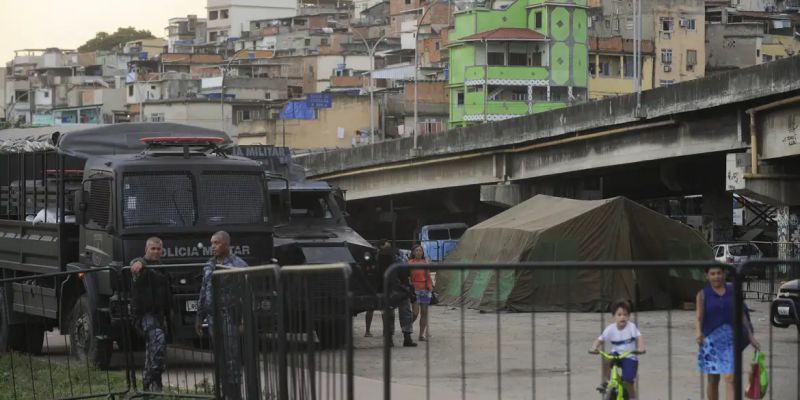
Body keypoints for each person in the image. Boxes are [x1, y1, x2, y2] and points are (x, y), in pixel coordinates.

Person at [195, 231, 249, 400]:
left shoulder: (238, 265)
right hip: (212, 318)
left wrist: (244, 319)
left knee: (232, 356)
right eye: (212, 243)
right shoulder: (209, 265)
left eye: (216, 243)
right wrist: (199, 316)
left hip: (229, 316)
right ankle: (222, 391)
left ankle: (234, 394)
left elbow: (247, 294)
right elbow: (204, 292)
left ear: (226, 244)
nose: (213, 246)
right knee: (219, 357)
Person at [696, 265, 760, 400]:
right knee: (713, 380)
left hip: (731, 340)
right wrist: (698, 333)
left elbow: (742, 315)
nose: (716, 277)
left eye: (719, 273)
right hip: (710, 341)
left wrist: (750, 336)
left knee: (730, 377)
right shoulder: (702, 294)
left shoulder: (733, 291)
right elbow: (699, 317)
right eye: (712, 274)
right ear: (706, 276)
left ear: (724, 274)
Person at [130, 237, 169, 393]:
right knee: (159, 342)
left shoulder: (162, 267)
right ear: (146, 249)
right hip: (144, 315)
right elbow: (136, 264)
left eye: (158, 249)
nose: (156, 251)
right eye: (152, 248)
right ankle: (153, 380)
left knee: (153, 349)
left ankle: (149, 385)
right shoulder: (141, 264)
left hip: (159, 314)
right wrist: (140, 263)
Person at [590, 299, 645, 400]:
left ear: (628, 316)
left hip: (629, 356)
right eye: (619, 315)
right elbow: (600, 339)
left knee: (628, 380)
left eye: (625, 314)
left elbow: (639, 337)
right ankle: (605, 381)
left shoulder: (631, 327)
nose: (622, 317)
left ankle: (632, 398)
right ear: (613, 316)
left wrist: (641, 348)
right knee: (606, 358)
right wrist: (594, 347)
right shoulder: (610, 329)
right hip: (616, 353)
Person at [378, 239, 417, 347]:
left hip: (395, 289)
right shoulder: (399, 257)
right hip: (396, 289)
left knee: (394, 314)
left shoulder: (384, 258)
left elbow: (405, 274)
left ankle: (395, 338)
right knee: (400, 314)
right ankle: (404, 337)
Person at [409, 244, 432, 341]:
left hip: (425, 290)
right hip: (415, 290)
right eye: (417, 250)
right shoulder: (409, 263)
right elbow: (408, 277)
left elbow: (428, 276)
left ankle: (421, 334)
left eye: (420, 250)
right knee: (415, 313)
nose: (419, 252)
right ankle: (407, 327)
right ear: (413, 252)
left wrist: (430, 287)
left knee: (424, 313)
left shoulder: (425, 262)